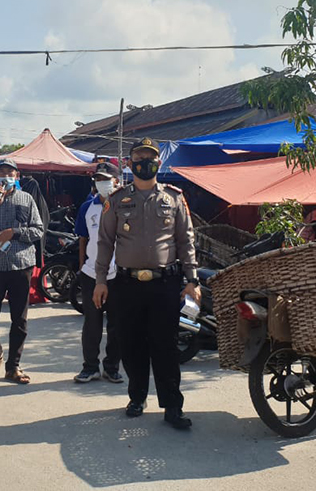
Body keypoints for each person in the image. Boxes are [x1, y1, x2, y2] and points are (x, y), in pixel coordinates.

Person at [94, 137, 200, 430]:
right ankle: (137, 397)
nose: (144, 162)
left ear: (159, 162)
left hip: (164, 284)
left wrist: (192, 279)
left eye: (150, 157)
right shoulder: (115, 200)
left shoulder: (174, 198)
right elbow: (105, 242)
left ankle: (173, 407)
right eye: (139, 158)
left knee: (165, 347)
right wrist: (100, 280)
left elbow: (185, 240)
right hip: (126, 285)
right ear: (129, 164)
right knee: (131, 344)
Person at [0, 159, 44, 384]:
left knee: (19, 319)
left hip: (20, 265)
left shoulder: (26, 199)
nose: (5, 176)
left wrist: (14, 233)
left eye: (10, 172)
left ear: (17, 176)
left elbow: (38, 229)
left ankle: (13, 366)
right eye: (1, 172)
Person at [73, 162, 123, 384]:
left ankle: (111, 367)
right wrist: (83, 265)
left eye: (106, 179)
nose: (102, 183)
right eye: (98, 179)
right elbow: (83, 239)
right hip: (92, 273)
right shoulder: (87, 207)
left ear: (117, 181)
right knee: (91, 322)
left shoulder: (125, 206)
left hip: (118, 273)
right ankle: (90, 366)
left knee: (117, 324)